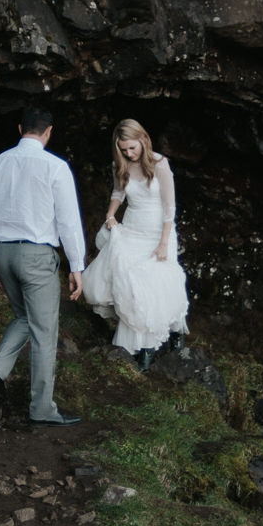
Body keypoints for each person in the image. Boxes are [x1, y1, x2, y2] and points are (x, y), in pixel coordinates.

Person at [0, 107, 87, 426]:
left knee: (23, 317)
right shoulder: (55, 167)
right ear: (49, 131)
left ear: (21, 128)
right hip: (36, 255)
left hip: (4, 251)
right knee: (44, 330)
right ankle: (41, 409)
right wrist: (77, 265)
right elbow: (68, 220)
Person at [81, 118, 189, 369]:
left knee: (157, 282)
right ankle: (140, 346)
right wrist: (110, 215)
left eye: (132, 148)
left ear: (143, 140)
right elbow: (118, 193)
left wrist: (163, 243)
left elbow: (169, 206)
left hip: (158, 231)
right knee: (130, 284)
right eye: (123, 149)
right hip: (132, 227)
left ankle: (171, 334)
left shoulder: (160, 164)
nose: (129, 153)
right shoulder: (120, 165)